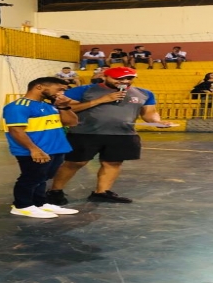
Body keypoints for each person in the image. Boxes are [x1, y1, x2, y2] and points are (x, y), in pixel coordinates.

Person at [45, 67, 172, 205]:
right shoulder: (84, 90)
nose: (124, 81)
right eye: (118, 78)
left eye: (129, 78)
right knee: (75, 162)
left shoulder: (144, 93)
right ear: (105, 77)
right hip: (85, 133)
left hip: (123, 134)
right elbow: (62, 108)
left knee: (113, 163)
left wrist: (157, 122)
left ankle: (102, 192)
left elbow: (149, 113)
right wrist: (101, 100)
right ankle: (55, 191)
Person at [2, 77, 80, 218]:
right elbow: (16, 130)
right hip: (35, 151)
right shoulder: (19, 106)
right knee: (31, 177)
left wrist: (64, 107)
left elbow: (72, 122)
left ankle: (40, 203)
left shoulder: (51, 106)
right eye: (59, 89)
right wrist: (34, 149)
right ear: (39, 87)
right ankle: (22, 205)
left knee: (43, 178)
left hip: (55, 149)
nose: (62, 93)